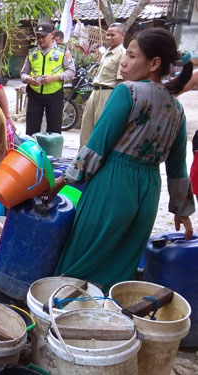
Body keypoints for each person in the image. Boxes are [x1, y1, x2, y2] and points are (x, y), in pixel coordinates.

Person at [45, 28, 194, 291]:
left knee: (79, 263)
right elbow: (177, 167)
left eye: (133, 56)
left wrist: (62, 181)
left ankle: (59, 316)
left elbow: (96, 148)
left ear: (154, 64)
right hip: (147, 195)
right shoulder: (177, 109)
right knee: (118, 273)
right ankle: (105, 322)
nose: (124, 62)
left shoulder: (128, 92)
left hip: (113, 186)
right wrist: (181, 211)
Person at [20, 22, 75, 136]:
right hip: (34, 95)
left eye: (43, 36)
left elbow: (71, 71)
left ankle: (52, 153)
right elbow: (23, 73)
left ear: (52, 35)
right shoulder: (32, 52)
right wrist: (29, 79)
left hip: (54, 95)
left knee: (54, 131)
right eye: (38, 36)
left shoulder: (62, 51)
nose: (40, 40)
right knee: (31, 130)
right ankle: (32, 153)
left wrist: (54, 78)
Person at [79, 23, 126, 148]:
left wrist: (114, 103)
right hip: (96, 92)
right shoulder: (107, 52)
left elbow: (120, 82)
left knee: (100, 131)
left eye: (113, 35)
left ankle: (95, 163)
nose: (109, 38)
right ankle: (82, 161)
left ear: (122, 35)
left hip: (107, 94)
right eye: (108, 35)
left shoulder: (122, 53)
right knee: (86, 128)